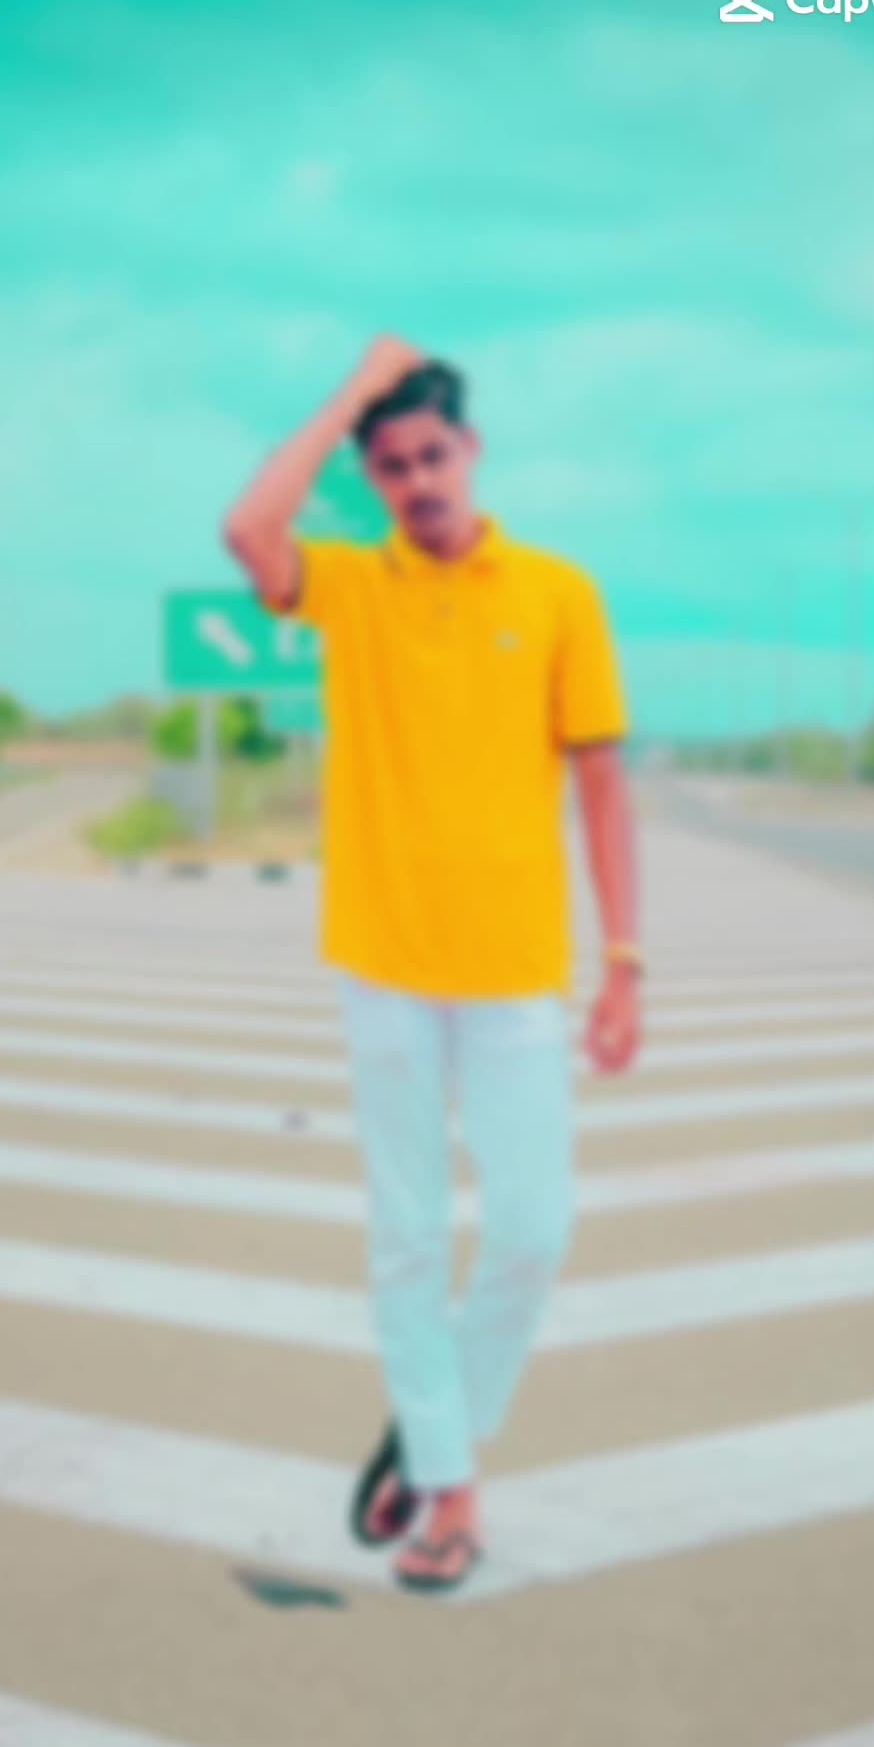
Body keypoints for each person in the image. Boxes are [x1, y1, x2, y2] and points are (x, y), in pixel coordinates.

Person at [222, 337, 642, 1594]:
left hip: (516, 969)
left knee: (533, 1230)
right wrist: (349, 398)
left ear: (473, 452)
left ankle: (427, 1432)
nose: (418, 482)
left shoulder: (559, 592)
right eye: (393, 464)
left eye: (433, 456)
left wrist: (624, 962)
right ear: (373, 477)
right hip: (385, 964)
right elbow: (249, 531)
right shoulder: (354, 585)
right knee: (408, 1237)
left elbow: (603, 784)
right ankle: (451, 1492)